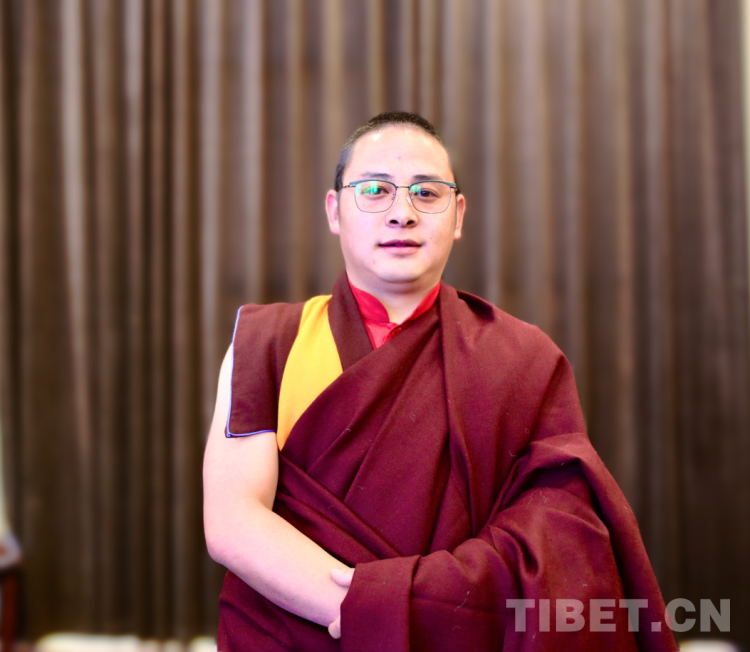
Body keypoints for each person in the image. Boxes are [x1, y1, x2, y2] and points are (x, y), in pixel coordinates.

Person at [203, 112, 678, 651]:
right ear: (334, 210)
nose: (402, 213)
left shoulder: (523, 359)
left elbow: (554, 530)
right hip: (293, 633)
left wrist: (391, 609)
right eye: (375, 190)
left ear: (458, 216)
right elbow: (233, 519)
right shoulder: (268, 342)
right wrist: (368, 610)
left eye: (427, 193)